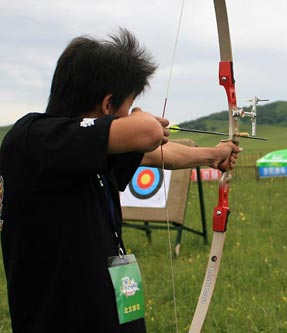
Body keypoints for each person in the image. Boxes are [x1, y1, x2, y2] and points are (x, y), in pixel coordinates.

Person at [0, 28, 241, 333]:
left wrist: (212, 155)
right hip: (61, 318)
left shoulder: (89, 148)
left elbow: (156, 152)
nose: (131, 111)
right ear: (107, 103)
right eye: (129, 103)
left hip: (108, 309)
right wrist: (142, 120)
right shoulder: (34, 137)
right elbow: (149, 134)